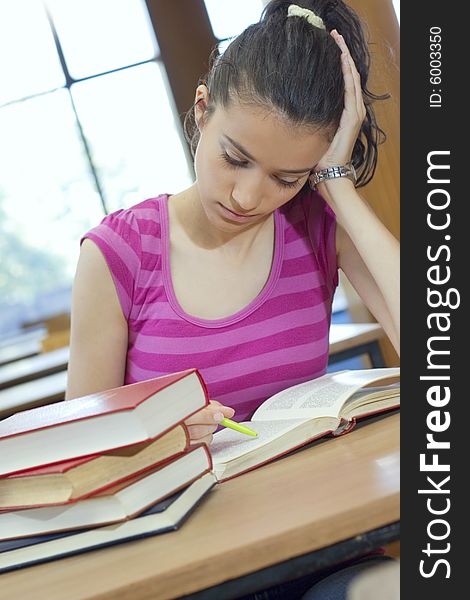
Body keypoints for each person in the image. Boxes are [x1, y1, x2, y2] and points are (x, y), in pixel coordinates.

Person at [66, 1, 399, 597]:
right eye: (235, 159)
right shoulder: (121, 252)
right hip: (185, 565)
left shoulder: (316, 225)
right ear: (201, 110)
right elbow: (72, 464)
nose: (249, 196)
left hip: (321, 548)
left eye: (285, 177)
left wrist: (337, 186)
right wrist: (160, 433)